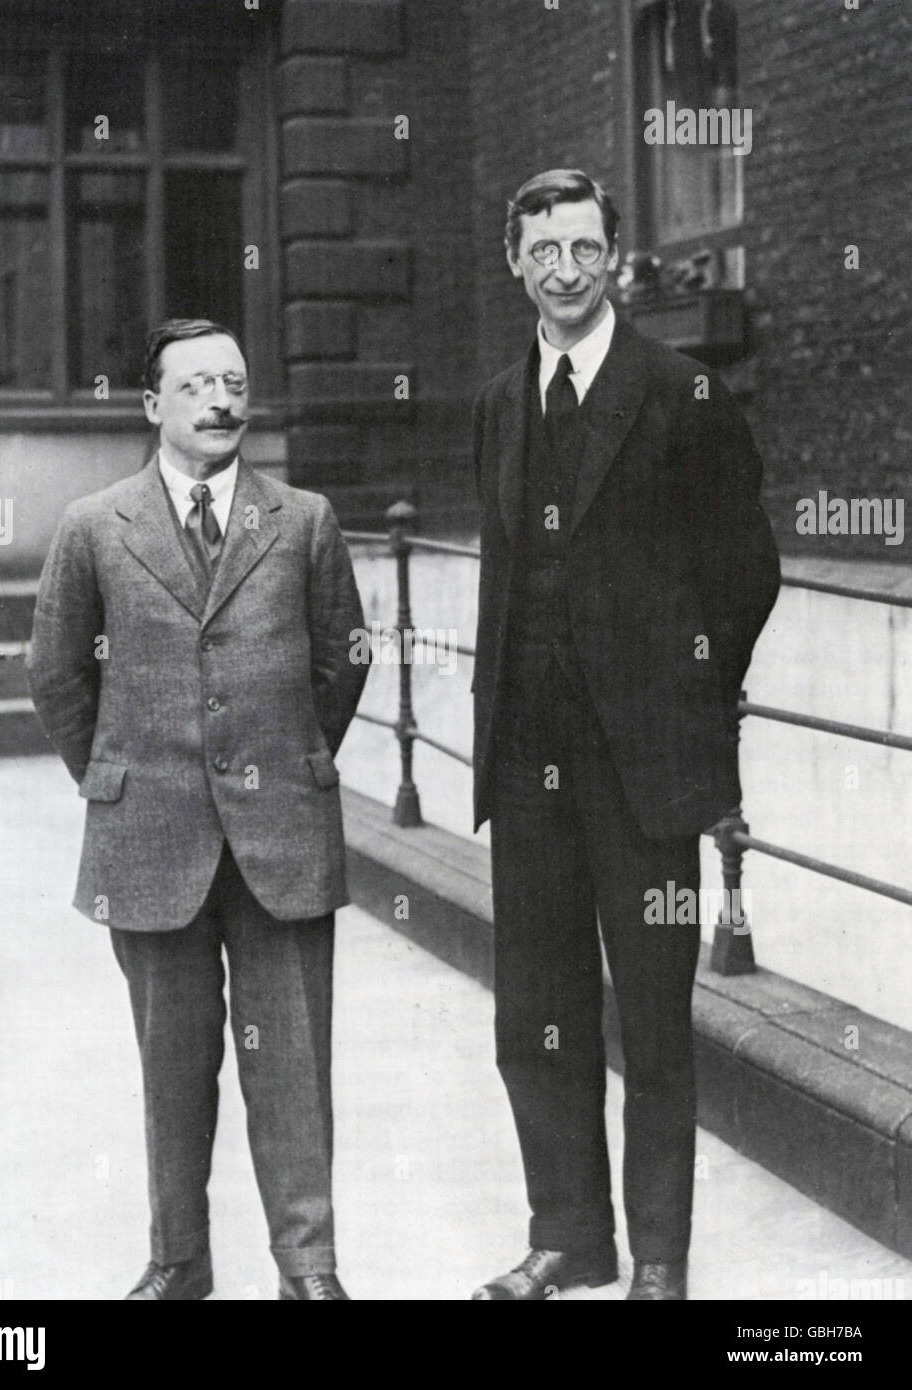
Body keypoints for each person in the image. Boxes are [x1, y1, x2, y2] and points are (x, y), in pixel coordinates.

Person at [470, 171, 779, 1300]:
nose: (564, 268)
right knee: (536, 1013)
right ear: (515, 261)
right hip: (527, 763)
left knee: (652, 1022)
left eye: (584, 248)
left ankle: (657, 1255)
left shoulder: (681, 394)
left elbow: (745, 572)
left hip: (644, 769)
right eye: (543, 248)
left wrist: (686, 700)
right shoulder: (502, 401)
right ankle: (569, 1235)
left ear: (617, 258)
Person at [27, 318, 368, 1301]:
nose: (220, 401)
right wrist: (115, 775)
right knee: (171, 1068)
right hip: (151, 839)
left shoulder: (302, 520)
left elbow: (341, 658)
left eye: (233, 382)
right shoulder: (96, 525)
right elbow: (56, 671)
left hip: (282, 840)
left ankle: (308, 1266)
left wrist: (294, 757)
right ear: (151, 406)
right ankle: (179, 1257)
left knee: (294, 1064)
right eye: (194, 387)